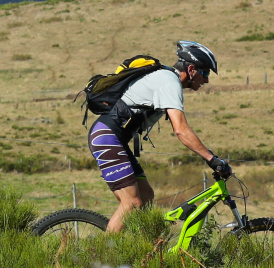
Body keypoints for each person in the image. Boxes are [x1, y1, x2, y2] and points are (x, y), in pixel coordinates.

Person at [89, 41, 230, 233]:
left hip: (114, 138)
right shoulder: (169, 82)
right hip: (106, 137)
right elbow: (181, 129)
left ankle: (137, 247)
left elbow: (180, 129)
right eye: (205, 73)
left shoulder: (165, 79)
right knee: (131, 203)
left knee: (146, 196)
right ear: (191, 69)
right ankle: (103, 259)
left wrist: (209, 155)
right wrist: (212, 159)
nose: (206, 80)